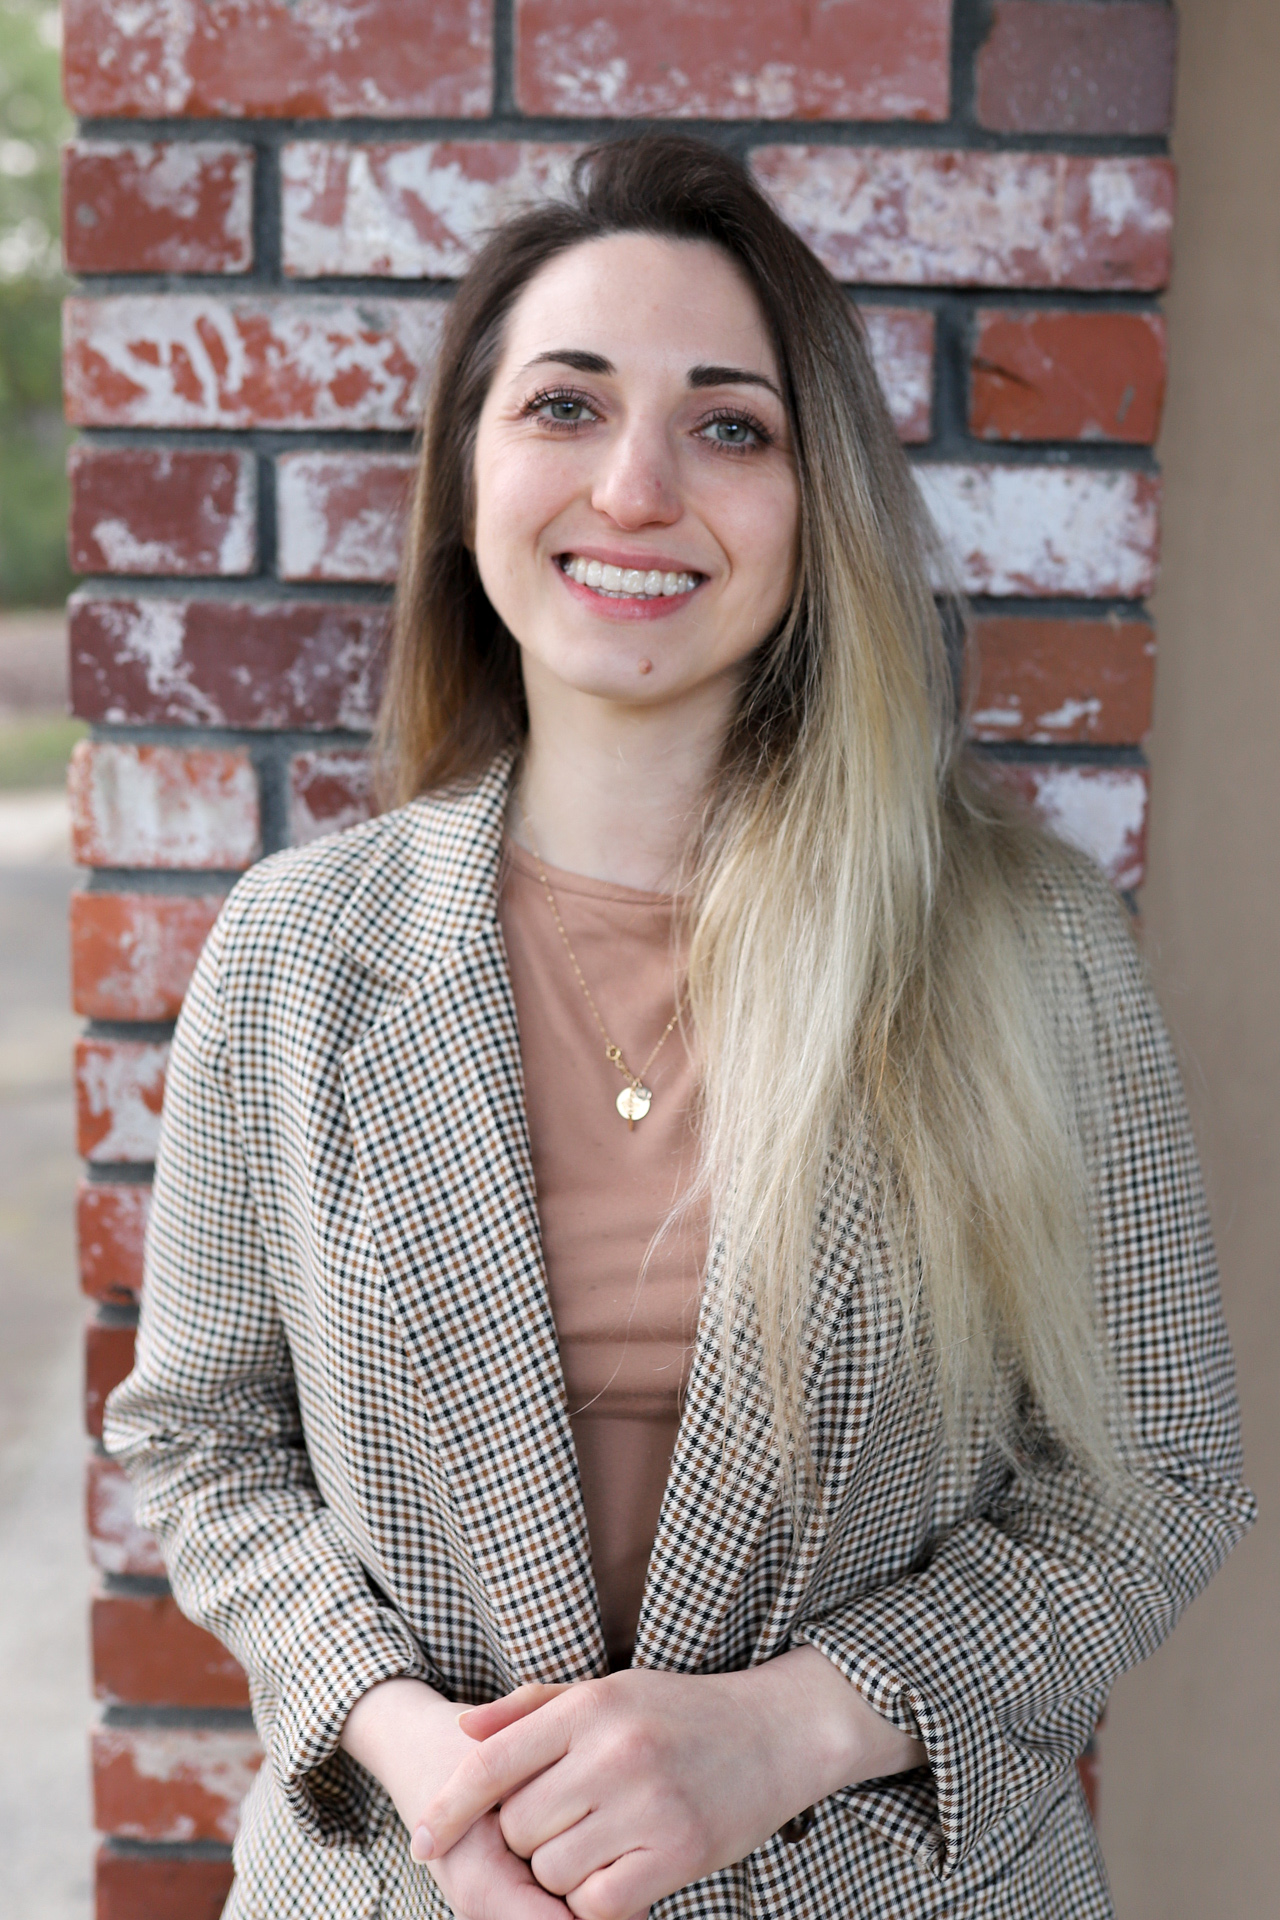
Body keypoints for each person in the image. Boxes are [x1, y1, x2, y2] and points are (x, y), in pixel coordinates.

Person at [104, 134, 1254, 1920]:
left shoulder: (1026, 951)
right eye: (564, 408)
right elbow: (200, 1440)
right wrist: (423, 1756)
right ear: (466, 482)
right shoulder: (295, 953)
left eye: (731, 426)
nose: (636, 485)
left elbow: (1158, 1478)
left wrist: (789, 1733)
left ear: (818, 505)